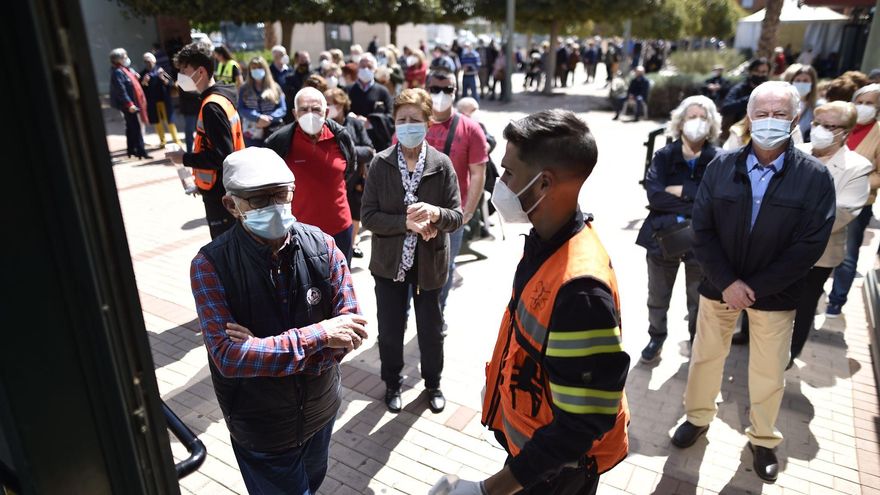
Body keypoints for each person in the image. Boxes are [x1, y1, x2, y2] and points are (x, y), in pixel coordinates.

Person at [437, 110, 629, 495]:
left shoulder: (581, 291)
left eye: (507, 172)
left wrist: (488, 490)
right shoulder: (547, 241)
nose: (499, 182)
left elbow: (578, 427)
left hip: (557, 469)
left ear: (543, 184)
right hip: (536, 451)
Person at [672, 82, 835, 483]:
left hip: (775, 295)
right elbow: (702, 228)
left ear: (796, 120)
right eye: (761, 113)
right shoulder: (721, 166)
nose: (769, 121)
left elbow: (809, 245)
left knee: (768, 370)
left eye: (780, 114)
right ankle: (697, 418)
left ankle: (763, 439)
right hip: (718, 287)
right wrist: (727, 281)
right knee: (706, 356)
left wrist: (755, 287)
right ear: (748, 118)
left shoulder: (814, 177)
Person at [190, 146, 367, 494]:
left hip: (320, 410)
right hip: (260, 427)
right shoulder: (210, 265)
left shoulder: (324, 246)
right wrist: (319, 334)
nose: (273, 206)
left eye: (281, 195)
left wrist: (261, 349)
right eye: (258, 200)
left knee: (312, 483)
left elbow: (352, 331)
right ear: (232, 205)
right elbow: (228, 357)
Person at [361, 88, 463, 414]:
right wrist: (405, 223)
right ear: (394, 123)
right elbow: (369, 217)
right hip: (389, 264)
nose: (408, 126)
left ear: (428, 123)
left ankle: (432, 383)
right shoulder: (380, 164)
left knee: (431, 331)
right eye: (402, 120)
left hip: (430, 264)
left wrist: (435, 213)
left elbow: (456, 217)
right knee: (390, 331)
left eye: (414, 120)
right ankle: (392, 382)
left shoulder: (442, 164)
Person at [637, 96, 721, 363]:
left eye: (702, 117)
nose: (696, 123)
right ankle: (656, 336)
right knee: (657, 296)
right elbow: (655, 197)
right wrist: (696, 198)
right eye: (691, 117)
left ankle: (696, 341)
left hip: (702, 243)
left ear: (711, 124)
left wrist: (682, 190)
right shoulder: (664, 156)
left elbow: (717, 201)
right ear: (680, 122)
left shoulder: (718, 159)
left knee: (698, 301)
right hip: (662, 238)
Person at [789, 102, 872, 364]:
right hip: (776, 245)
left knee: (804, 302)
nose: (819, 130)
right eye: (816, 123)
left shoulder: (857, 167)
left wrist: (788, 217)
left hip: (819, 252)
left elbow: (842, 211)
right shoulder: (795, 152)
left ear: (845, 132)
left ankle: (792, 351)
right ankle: (748, 334)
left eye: (829, 126)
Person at [265, 87, 358, 263]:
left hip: (340, 229)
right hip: (297, 232)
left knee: (339, 285)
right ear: (294, 113)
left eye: (316, 109)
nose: (310, 114)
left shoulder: (340, 136)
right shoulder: (279, 142)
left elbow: (349, 169)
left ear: (327, 112)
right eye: (304, 109)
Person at [424, 69, 489, 313]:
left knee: (445, 267)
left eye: (447, 90)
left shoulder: (471, 129)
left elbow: (478, 173)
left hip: (452, 214)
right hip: (415, 212)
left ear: (456, 91)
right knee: (408, 268)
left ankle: (436, 316)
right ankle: (406, 317)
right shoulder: (412, 123)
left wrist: (468, 212)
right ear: (426, 89)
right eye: (435, 89)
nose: (441, 95)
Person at [166, 41, 246, 239]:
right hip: (227, 188)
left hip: (221, 195)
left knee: (227, 252)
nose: (181, 75)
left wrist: (184, 158)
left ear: (200, 71)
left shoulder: (212, 106)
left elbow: (221, 156)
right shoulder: (220, 97)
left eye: (185, 69)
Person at [827, 84, 880, 316]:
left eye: (871, 103)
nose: (864, 107)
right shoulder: (839, 126)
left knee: (848, 254)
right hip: (826, 196)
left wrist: (856, 184)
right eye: (861, 101)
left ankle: (836, 300)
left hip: (858, 203)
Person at [325, 87, 375, 259]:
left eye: (331, 103)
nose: (329, 107)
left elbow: (369, 150)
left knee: (354, 214)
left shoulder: (354, 124)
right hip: (332, 181)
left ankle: (351, 246)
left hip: (355, 180)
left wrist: (345, 149)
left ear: (341, 104)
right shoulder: (322, 126)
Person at [109, 48, 150, 159]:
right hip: (128, 104)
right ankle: (141, 151)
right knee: (135, 127)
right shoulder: (118, 72)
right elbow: (121, 90)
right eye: (124, 57)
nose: (127, 59)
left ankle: (131, 150)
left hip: (130, 103)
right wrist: (129, 104)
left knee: (130, 127)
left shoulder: (124, 70)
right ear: (119, 59)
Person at [238, 56, 287, 147]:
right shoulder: (244, 88)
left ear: (265, 69)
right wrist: (258, 117)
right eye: (254, 68)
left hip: (272, 130)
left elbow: (282, 108)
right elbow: (241, 108)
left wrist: (270, 118)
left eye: (260, 68)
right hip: (251, 132)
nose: (257, 70)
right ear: (250, 71)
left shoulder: (275, 87)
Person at [140, 52, 183, 149]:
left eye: (149, 61)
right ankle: (162, 141)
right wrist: (144, 82)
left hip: (165, 100)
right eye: (146, 61)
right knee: (157, 122)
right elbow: (142, 89)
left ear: (154, 60)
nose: (148, 63)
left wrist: (164, 80)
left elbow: (171, 83)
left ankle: (176, 140)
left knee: (170, 121)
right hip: (152, 102)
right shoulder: (143, 74)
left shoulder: (161, 70)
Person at [720, 58, 770, 140]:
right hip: (737, 134)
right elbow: (726, 108)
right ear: (750, 72)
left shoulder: (771, 91)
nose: (760, 75)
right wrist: (751, 98)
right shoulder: (739, 89)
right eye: (757, 71)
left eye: (764, 72)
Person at [348, 53, 394, 118]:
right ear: (358, 68)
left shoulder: (383, 91)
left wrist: (370, 122)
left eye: (369, 67)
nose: (366, 69)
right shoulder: (347, 90)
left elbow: (390, 115)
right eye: (363, 66)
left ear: (375, 70)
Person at [783, 64, 818, 142]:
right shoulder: (782, 104)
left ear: (812, 84)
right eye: (798, 80)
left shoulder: (816, 107)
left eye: (805, 81)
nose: (801, 83)